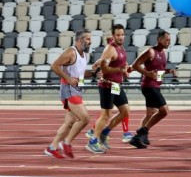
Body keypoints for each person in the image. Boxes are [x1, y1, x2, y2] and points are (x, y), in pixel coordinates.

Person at [44, 29, 92, 159]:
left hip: (77, 89)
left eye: (90, 39)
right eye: (87, 39)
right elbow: (54, 65)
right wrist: (69, 78)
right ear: (79, 40)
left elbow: (80, 74)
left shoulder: (84, 55)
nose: (90, 42)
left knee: (70, 122)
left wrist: (93, 73)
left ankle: (52, 148)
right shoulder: (71, 52)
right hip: (68, 89)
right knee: (85, 118)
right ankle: (67, 143)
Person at [86, 24, 132, 154]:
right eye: (118, 35)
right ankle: (92, 141)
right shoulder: (110, 49)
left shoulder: (121, 48)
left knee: (125, 111)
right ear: (113, 36)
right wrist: (119, 70)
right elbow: (104, 67)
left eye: (122, 34)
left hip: (116, 85)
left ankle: (104, 133)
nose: (121, 37)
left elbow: (121, 63)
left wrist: (125, 70)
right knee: (105, 114)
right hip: (107, 85)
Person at [128, 30, 175, 149]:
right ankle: (141, 133)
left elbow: (158, 71)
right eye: (166, 39)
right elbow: (135, 65)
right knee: (164, 111)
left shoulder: (163, 53)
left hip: (156, 86)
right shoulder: (150, 51)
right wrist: (147, 74)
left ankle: (139, 138)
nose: (169, 42)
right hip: (149, 86)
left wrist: (168, 71)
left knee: (150, 114)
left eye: (169, 40)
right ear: (159, 40)